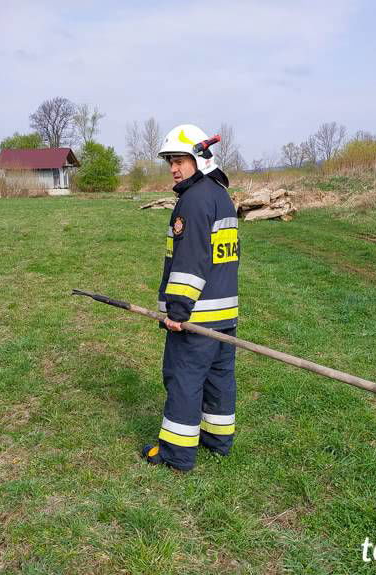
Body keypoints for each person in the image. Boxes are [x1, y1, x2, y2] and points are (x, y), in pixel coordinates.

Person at [141, 124, 239, 472]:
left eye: (180, 160)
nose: (173, 168)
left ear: (200, 158)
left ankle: (176, 454)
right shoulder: (220, 196)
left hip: (196, 317)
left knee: (183, 378)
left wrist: (177, 312)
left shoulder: (194, 201)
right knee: (219, 378)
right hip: (225, 315)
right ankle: (216, 439)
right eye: (170, 161)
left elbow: (190, 261)